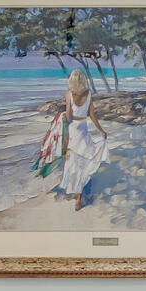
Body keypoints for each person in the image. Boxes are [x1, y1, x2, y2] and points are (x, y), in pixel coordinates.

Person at [45, 67, 111, 209]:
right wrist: (101, 131)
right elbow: (92, 115)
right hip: (83, 128)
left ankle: (76, 193)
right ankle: (79, 195)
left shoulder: (69, 94)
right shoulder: (88, 94)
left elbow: (68, 116)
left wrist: (62, 116)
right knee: (84, 159)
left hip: (73, 129)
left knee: (73, 161)